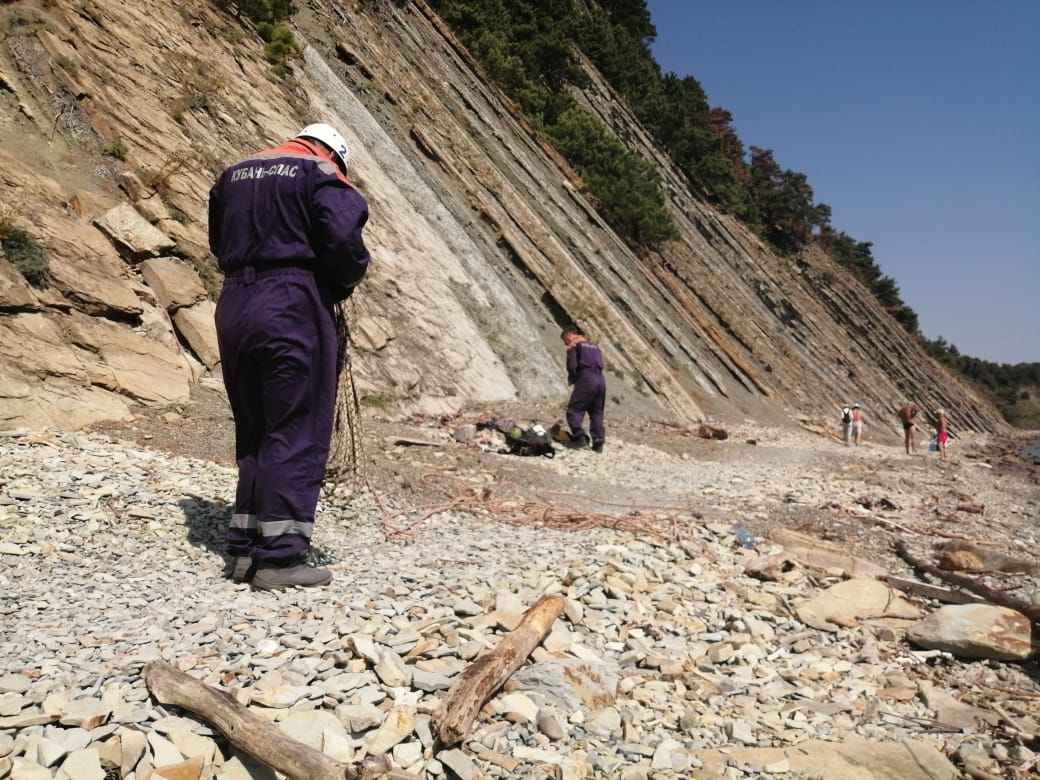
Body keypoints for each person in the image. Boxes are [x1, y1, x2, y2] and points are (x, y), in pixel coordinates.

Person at [209, 123, 371, 590]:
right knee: (295, 427)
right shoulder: (320, 173)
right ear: (335, 153)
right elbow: (343, 240)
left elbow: (218, 243)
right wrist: (340, 284)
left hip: (235, 302)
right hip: (291, 303)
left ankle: (245, 550)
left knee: (256, 427)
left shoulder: (233, 173)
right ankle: (280, 559)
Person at [561, 326, 606, 452]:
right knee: (596, 412)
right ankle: (598, 443)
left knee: (574, 410)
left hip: (586, 378)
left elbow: (572, 366)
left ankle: (580, 438)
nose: (565, 343)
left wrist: (573, 378)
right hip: (601, 380)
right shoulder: (594, 346)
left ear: (569, 335)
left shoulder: (574, 345)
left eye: (565, 340)